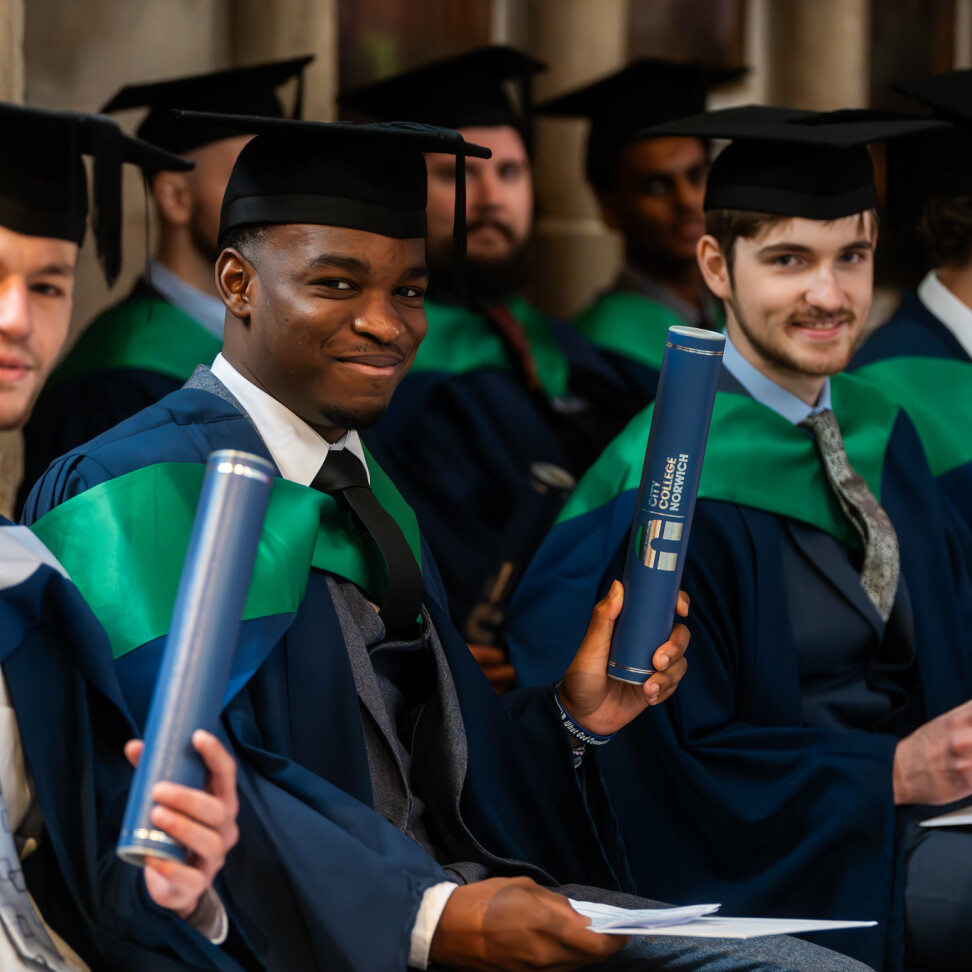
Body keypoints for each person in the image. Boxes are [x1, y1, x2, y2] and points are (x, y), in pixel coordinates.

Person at [23, 109, 869, 972]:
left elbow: (442, 776)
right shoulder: (137, 490)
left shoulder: (361, 482)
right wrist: (431, 916)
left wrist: (574, 717)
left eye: (411, 290)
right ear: (237, 284)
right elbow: (179, 791)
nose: (388, 325)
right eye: (337, 284)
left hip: (461, 903)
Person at [505, 106, 972, 972]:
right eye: (789, 260)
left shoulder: (886, 428)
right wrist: (889, 775)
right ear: (717, 265)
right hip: (796, 864)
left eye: (852, 258)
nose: (829, 296)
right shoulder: (672, 483)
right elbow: (653, 770)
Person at [0, 102, 244, 971]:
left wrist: (179, 885)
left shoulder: (27, 576)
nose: (15, 319)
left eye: (49, 284)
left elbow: (84, 881)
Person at [339, 47, 644, 674]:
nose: (489, 197)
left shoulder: (572, 352)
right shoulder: (384, 372)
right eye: (458, 175)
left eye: (509, 172)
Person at [20, 56, 312, 504]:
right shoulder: (117, 379)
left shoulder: (296, 345)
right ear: (175, 196)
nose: (286, 203)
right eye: (255, 177)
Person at [538, 60, 744, 397]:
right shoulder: (603, 353)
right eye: (656, 187)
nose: (687, 200)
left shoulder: (733, 316)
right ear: (609, 208)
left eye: (695, 175)